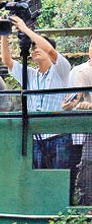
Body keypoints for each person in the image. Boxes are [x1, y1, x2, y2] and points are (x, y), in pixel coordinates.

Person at [1, 15, 72, 170]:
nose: (35, 49)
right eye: (33, 48)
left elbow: (50, 50)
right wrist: (5, 33)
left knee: (59, 182)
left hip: (59, 135)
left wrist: (25, 28)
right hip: (37, 136)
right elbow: (7, 61)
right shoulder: (31, 75)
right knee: (39, 182)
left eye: (38, 46)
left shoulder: (61, 69)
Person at [62, 38, 92, 205]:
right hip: (88, 127)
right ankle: (86, 204)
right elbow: (75, 96)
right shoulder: (80, 71)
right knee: (87, 163)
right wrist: (70, 103)